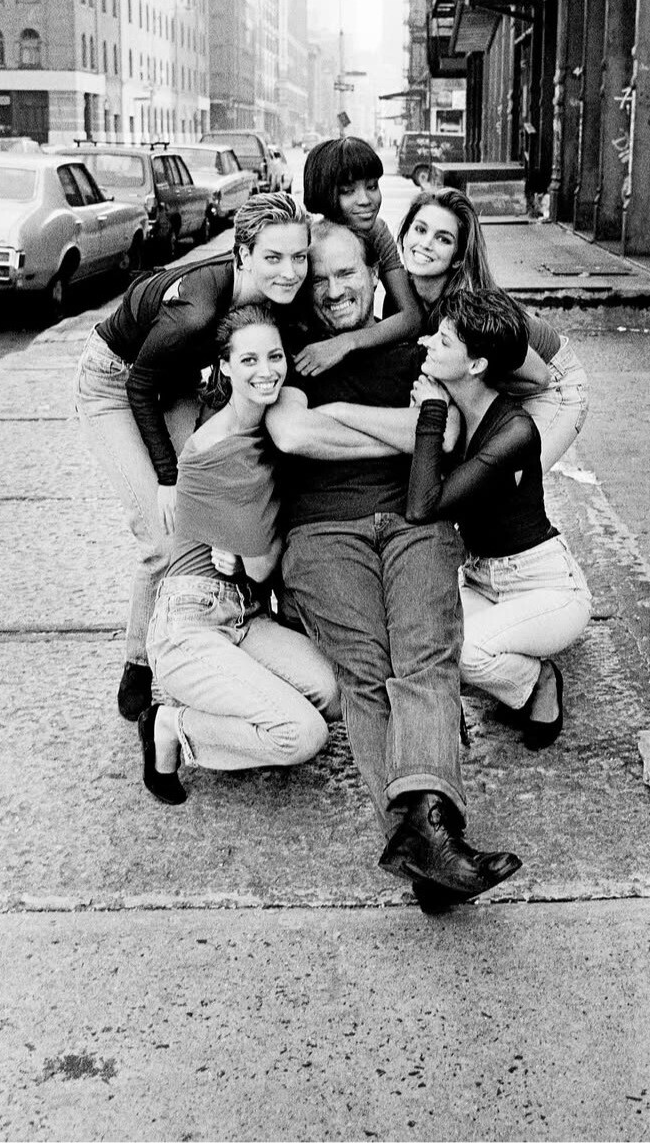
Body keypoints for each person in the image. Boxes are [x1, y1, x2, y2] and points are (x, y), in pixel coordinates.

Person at [266, 219, 522, 910]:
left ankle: (424, 848)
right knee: (367, 669)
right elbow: (294, 434)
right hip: (321, 531)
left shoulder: (418, 349)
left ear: (375, 276)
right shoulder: (291, 352)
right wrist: (405, 434)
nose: (333, 290)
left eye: (346, 273)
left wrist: (342, 414)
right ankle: (435, 846)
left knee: (425, 656)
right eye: (320, 279)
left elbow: (447, 433)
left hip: (415, 521)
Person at [75, 193, 310, 722]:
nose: (290, 271)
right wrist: (167, 478)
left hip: (176, 375)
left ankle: (240, 612)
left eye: (299, 256)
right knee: (163, 533)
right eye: (274, 257)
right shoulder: (196, 312)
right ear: (243, 254)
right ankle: (140, 661)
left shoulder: (273, 294)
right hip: (117, 381)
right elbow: (139, 387)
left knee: (220, 474)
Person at [137, 304, 339, 806]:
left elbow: (256, 563)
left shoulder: (268, 423)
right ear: (224, 367)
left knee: (335, 693)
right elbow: (263, 566)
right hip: (190, 623)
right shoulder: (218, 451)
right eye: (248, 360)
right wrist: (261, 548)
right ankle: (171, 724)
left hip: (244, 615)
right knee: (302, 734)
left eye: (274, 356)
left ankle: (237, 707)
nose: (266, 371)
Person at [405, 289, 592, 748]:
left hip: (545, 588)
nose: (428, 343)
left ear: (476, 365)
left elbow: (423, 506)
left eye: (443, 341)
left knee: (467, 653)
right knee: (426, 645)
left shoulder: (515, 431)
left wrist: (431, 412)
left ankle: (538, 680)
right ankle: (517, 679)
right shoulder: (457, 406)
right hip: (479, 580)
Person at [393, 187, 590, 472]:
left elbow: (539, 377)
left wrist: (459, 383)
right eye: (420, 229)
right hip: (497, 379)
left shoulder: (469, 305)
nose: (425, 244)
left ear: (458, 257)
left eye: (443, 239)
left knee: (509, 483)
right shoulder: (402, 292)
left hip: (553, 384)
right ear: (405, 233)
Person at [295, 136, 421, 377]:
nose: (365, 201)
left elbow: (411, 317)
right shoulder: (306, 238)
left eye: (372, 186)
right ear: (324, 193)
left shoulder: (376, 231)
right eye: (348, 191)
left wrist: (346, 342)